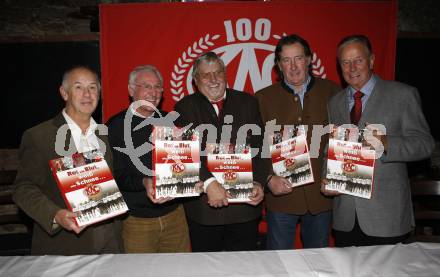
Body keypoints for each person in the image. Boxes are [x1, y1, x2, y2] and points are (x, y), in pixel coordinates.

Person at [321, 35, 435, 246]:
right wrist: (327, 179)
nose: (352, 67)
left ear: (371, 60)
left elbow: (425, 144)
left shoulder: (403, 94)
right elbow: (332, 146)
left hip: (386, 217)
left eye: (358, 60)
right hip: (346, 217)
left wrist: (387, 143)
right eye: (345, 62)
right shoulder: (334, 103)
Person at [13, 66, 122, 255]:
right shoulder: (39, 136)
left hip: (110, 240)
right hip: (67, 244)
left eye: (93, 87)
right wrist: (56, 215)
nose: (87, 94)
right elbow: (23, 188)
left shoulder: (104, 133)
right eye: (78, 87)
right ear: (64, 93)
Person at [174, 52, 266, 252]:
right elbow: (183, 154)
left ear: (225, 75)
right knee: (207, 269)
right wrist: (209, 182)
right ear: (196, 81)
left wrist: (258, 181)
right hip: (204, 209)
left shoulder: (248, 103)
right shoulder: (183, 108)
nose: (213, 80)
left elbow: (261, 148)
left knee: (244, 268)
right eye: (206, 75)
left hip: (244, 208)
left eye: (218, 73)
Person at [255, 34, 340, 249]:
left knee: (318, 263)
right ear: (278, 65)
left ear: (309, 59)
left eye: (298, 58)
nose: (293, 66)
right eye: (286, 60)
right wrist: (267, 179)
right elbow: (255, 147)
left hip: (322, 197)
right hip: (282, 198)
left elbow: (343, 139)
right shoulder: (262, 98)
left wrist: (338, 176)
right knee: (278, 264)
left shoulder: (333, 92)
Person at [107, 65, 190, 253]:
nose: (153, 92)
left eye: (158, 86)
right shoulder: (114, 126)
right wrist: (144, 181)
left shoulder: (173, 120)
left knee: (181, 270)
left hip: (175, 216)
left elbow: (185, 165)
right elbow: (115, 175)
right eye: (146, 86)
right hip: (137, 221)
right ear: (131, 90)